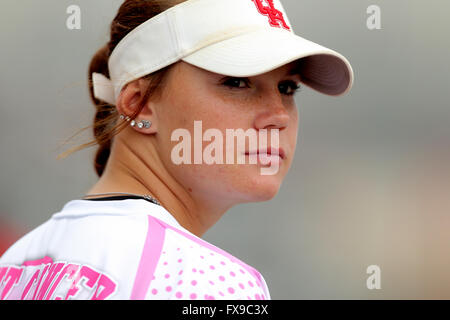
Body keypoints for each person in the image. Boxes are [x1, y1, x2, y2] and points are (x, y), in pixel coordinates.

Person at [0, 0, 353, 300]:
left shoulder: (13, 266)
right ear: (140, 104)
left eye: (288, 87)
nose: (278, 115)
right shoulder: (212, 283)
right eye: (236, 81)